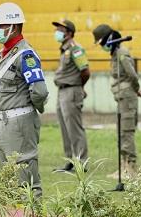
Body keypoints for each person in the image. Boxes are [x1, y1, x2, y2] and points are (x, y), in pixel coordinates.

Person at [0, 3, 48, 197]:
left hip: (18, 122)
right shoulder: (3, 55)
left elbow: (39, 91)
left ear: (13, 27)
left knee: (26, 181)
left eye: (0, 26)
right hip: (2, 122)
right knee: (9, 181)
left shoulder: (26, 55)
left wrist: (32, 110)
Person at [92, 24, 141, 177]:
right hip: (122, 98)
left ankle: (131, 168)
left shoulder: (122, 53)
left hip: (127, 98)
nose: (102, 46)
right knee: (121, 132)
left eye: (102, 42)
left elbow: (132, 74)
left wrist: (136, 89)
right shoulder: (115, 54)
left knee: (127, 132)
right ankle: (123, 167)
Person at [52, 19, 90, 172]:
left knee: (74, 128)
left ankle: (82, 161)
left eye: (61, 29)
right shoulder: (64, 49)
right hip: (62, 91)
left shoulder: (75, 49)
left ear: (69, 33)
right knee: (64, 127)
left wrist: (80, 87)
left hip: (71, 91)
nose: (57, 32)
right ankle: (70, 160)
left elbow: (85, 71)